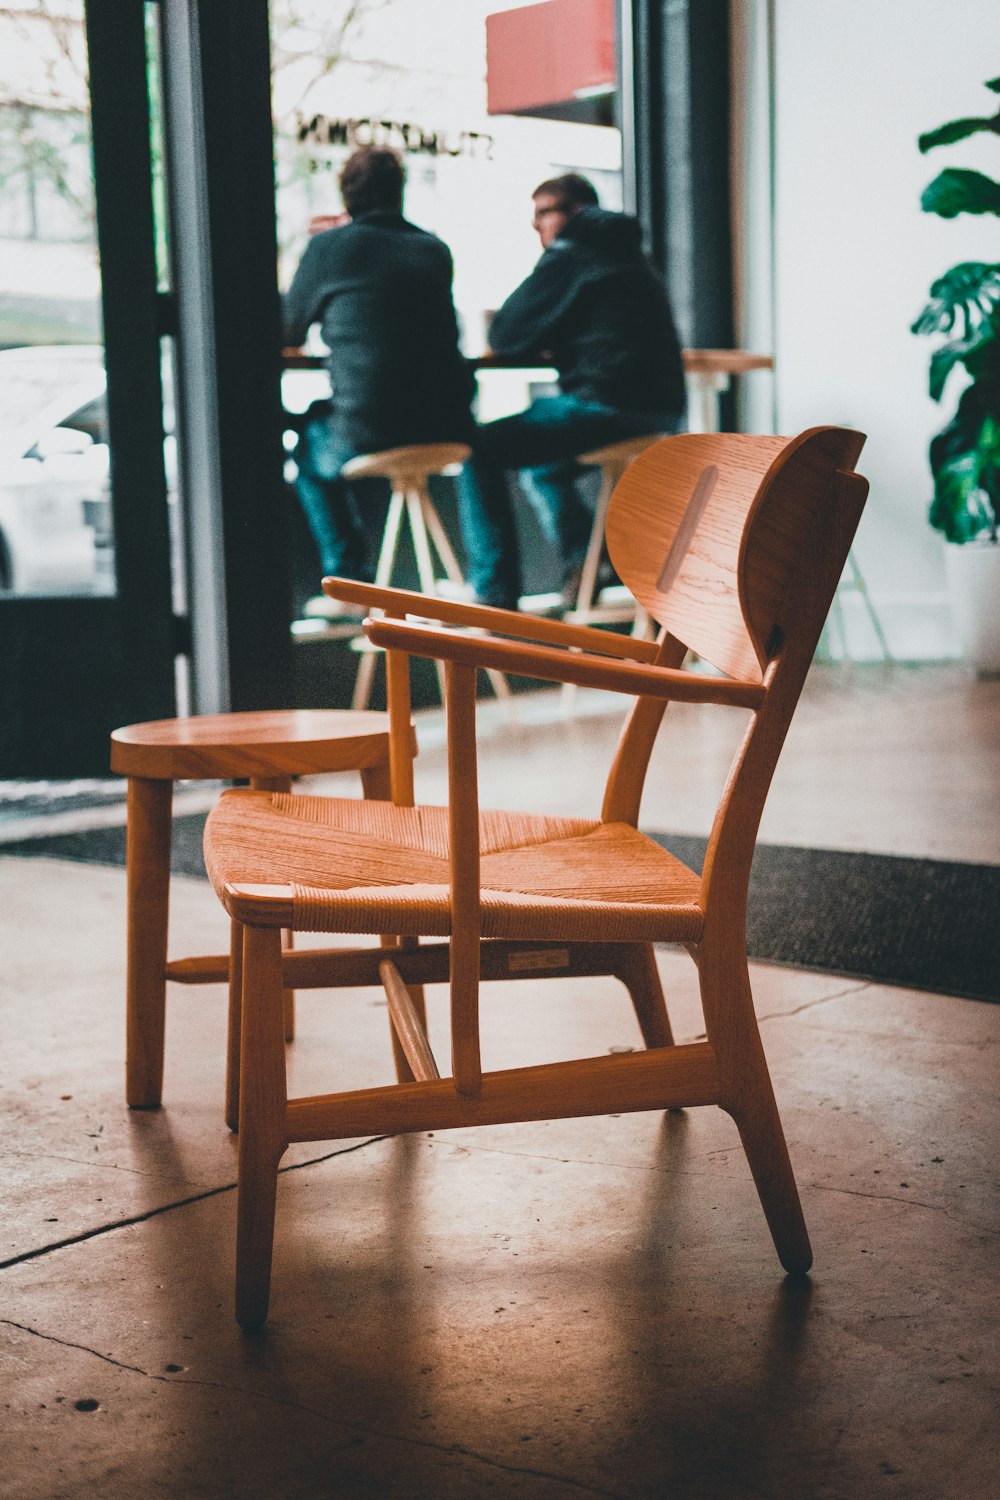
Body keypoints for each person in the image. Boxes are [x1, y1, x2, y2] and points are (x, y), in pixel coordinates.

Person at [456, 173, 687, 610]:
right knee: (542, 468)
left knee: (478, 449)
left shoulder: (571, 251)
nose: (536, 226)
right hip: (660, 409)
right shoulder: (629, 253)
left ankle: (493, 593)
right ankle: (590, 560)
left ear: (574, 212)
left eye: (544, 212)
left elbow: (507, 333)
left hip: (605, 403)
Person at [283, 146, 475, 614]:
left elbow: (288, 329)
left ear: (346, 195)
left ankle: (349, 579)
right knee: (319, 422)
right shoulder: (434, 248)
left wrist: (325, 247)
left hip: (375, 429)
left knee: (306, 444)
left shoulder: (329, 248)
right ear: (400, 191)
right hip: (451, 427)